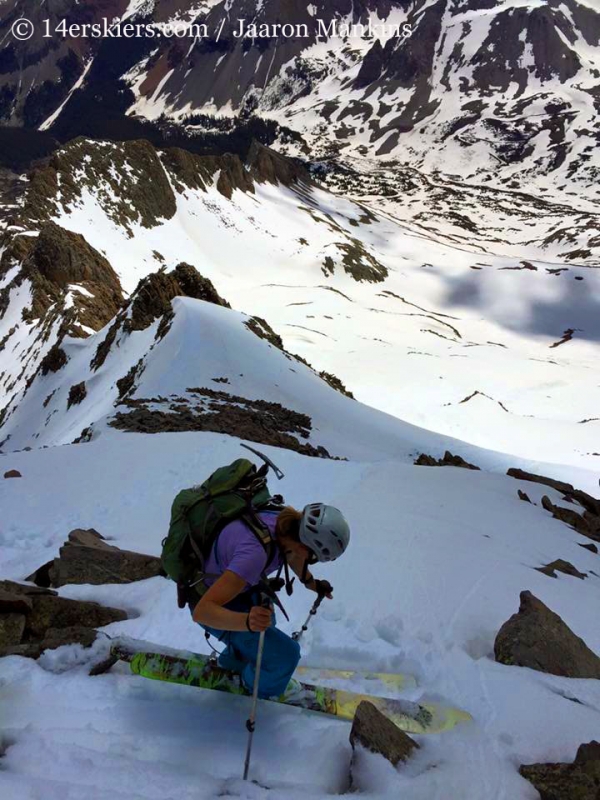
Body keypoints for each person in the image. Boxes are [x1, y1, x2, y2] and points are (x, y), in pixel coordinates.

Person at [191, 503, 350, 699]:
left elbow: (291, 553)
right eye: (313, 557)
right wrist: (247, 621)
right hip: (212, 604)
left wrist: (310, 582)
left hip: (240, 590)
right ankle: (255, 688)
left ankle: (234, 663)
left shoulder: (283, 523)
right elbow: (202, 612)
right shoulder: (253, 555)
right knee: (285, 657)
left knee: (267, 625)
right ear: (304, 545)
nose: (310, 560)